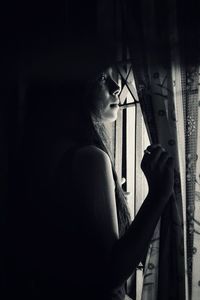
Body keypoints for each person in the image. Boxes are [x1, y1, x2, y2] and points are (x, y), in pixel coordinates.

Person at [19, 60, 174, 300]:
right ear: (71, 89)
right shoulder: (88, 159)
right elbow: (110, 273)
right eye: (102, 78)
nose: (116, 88)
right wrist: (157, 196)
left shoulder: (41, 154)